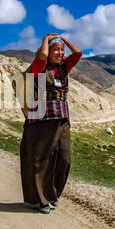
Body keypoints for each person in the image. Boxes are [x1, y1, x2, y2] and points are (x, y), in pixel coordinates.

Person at [19, 33, 82, 214]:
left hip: (62, 117)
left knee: (64, 158)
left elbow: (77, 54)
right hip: (42, 118)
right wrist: (46, 39)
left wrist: (63, 39)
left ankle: (52, 192)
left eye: (62, 50)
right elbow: (44, 56)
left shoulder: (64, 67)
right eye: (57, 49)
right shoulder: (39, 66)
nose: (60, 53)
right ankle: (41, 200)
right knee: (41, 160)